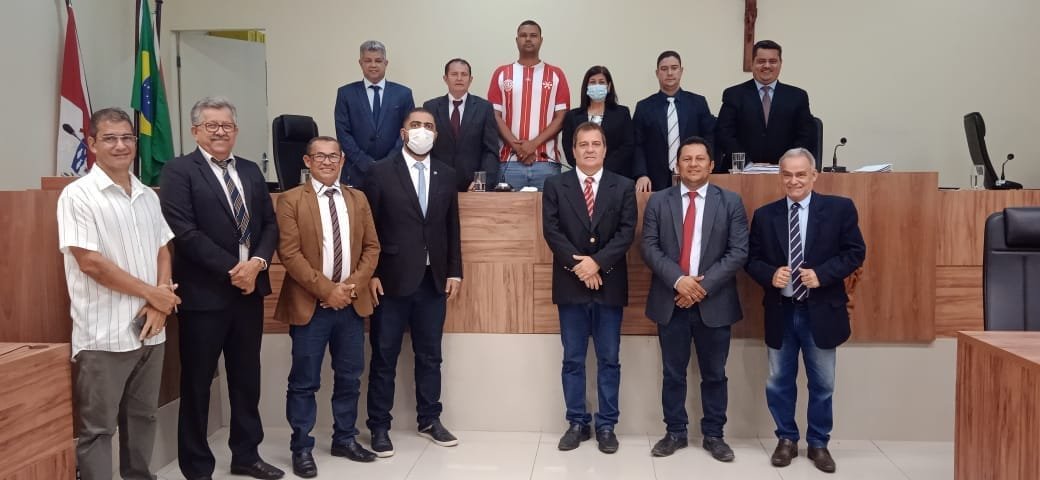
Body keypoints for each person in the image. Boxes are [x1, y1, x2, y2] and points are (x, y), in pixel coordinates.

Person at [159, 97, 283, 480]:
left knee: (247, 380)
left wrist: (257, 264)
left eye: (226, 125)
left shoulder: (250, 170)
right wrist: (234, 269)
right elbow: (185, 232)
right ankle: (197, 467)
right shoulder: (179, 171)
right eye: (211, 125)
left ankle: (246, 455)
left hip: (249, 293)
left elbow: (270, 225)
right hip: (204, 296)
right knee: (197, 384)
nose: (219, 132)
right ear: (195, 130)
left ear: (236, 131)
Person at [57, 107, 179, 480]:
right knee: (98, 429)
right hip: (104, 334)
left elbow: (163, 248)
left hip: (150, 329)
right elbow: (90, 262)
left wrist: (160, 298)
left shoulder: (146, 195)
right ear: (92, 143)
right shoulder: (77, 195)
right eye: (110, 138)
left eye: (127, 137)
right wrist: (154, 295)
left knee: (144, 417)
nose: (121, 145)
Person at [745, 148, 865, 474]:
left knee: (822, 383)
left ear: (814, 175)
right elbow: (751, 260)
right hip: (781, 311)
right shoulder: (766, 215)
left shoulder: (839, 209)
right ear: (780, 177)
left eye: (801, 174)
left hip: (821, 311)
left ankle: (818, 443)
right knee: (778, 381)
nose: (794, 181)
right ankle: (786, 439)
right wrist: (770, 274)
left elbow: (855, 252)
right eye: (787, 174)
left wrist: (822, 275)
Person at [273, 136, 381, 477]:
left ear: (342, 160)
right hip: (311, 306)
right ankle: (301, 448)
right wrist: (327, 290)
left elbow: (372, 248)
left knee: (350, 377)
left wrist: (349, 289)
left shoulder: (358, 198)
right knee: (304, 382)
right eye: (319, 157)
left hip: (350, 305)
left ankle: (345, 439)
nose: (327, 162)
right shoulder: (291, 200)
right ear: (307, 161)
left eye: (333, 156)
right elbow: (289, 253)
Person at [640, 137, 748, 461]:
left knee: (715, 373)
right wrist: (679, 281)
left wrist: (701, 287)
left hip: (715, 302)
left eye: (700, 159)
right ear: (677, 165)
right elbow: (649, 247)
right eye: (686, 159)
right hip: (670, 300)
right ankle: (675, 432)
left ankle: (714, 435)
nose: (693, 164)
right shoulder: (659, 201)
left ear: (711, 165)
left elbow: (738, 251)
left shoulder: (730, 202)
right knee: (673, 373)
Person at [363, 108, 463, 457]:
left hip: (433, 280)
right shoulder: (379, 172)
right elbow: (369, 228)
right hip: (390, 280)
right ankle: (379, 426)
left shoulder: (446, 173)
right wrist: (371, 273)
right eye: (416, 125)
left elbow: (451, 226)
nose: (423, 131)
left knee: (430, 356)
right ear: (403, 132)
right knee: (384, 356)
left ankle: (429, 419)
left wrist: (454, 271)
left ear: (437, 134)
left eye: (429, 126)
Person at [542, 122, 637, 454]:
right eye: (583, 144)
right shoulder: (555, 185)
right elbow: (552, 231)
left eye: (596, 143)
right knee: (573, 359)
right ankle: (577, 422)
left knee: (609, 359)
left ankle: (607, 424)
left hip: (610, 284)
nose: (590, 149)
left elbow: (626, 232)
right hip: (571, 285)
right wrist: (581, 268)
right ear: (573, 150)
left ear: (605, 149)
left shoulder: (623, 186)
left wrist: (597, 263)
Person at [488, 20, 570, 190]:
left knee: (547, 209)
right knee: (508, 209)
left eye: (533, 35)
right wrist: (518, 148)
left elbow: (561, 117)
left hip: (546, 162)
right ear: (516, 40)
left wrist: (533, 144)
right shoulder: (501, 73)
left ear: (541, 40)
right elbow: (494, 116)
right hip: (509, 162)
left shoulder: (556, 74)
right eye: (523, 35)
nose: (528, 39)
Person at [716, 40, 815, 170]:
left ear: (780, 64)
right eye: (761, 61)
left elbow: (806, 136)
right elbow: (724, 134)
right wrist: (748, 165)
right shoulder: (734, 95)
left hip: (786, 172)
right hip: (741, 171)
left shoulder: (797, 96)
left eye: (773, 61)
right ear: (752, 64)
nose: (767, 66)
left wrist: (787, 164)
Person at [334, 40, 415, 188]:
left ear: (386, 63)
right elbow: (343, 133)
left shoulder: (403, 94)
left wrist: (387, 163)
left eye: (378, 61)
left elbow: (408, 131)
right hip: (356, 172)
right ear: (360, 63)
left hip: (394, 170)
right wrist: (365, 163)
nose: (373, 65)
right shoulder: (346, 93)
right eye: (368, 61)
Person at [633, 51, 716, 192]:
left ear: (681, 71)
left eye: (674, 68)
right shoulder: (644, 107)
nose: (670, 73)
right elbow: (637, 145)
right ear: (657, 73)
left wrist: (706, 166)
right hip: (654, 180)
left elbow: (709, 138)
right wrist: (641, 174)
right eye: (664, 69)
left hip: (693, 175)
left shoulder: (698, 103)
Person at [423, 58, 500, 192]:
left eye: (464, 74)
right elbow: (426, 147)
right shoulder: (430, 107)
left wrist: (481, 182)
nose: (459, 78)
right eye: (454, 74)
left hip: (473, 186)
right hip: (437, 183)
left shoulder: (484, 108)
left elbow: (490, 151)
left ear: (470, 79)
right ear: (445, 79)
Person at [561, 66, 635, 179]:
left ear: (609, 86)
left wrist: (603, 168)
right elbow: (568, 145)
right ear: (586, 87)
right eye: (592, 82)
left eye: (601, 82)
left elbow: (627, 145)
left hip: (615, 175)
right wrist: (585, 168)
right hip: (582, 176)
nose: (597, 85)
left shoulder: (622, 113)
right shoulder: (573, 116)